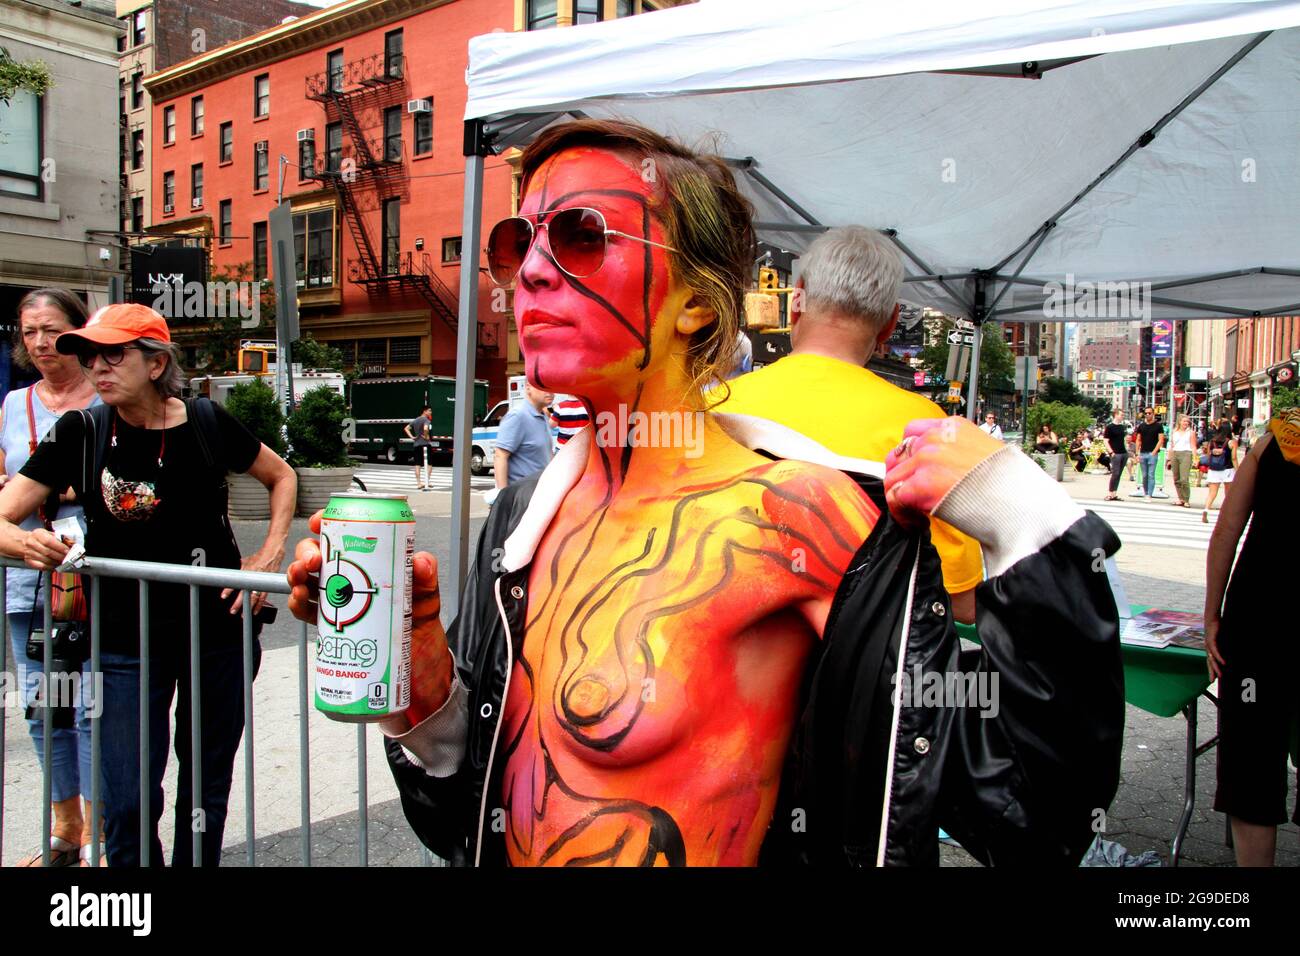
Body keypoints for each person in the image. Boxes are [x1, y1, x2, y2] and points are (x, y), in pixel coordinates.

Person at [286, 119, 1124, 868]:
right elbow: (464, 814)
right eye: (519, 240)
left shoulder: (800, 518)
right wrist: (420, 673)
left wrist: (1013, 511)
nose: (531, 273)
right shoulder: (524, 521)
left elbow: (1031, 817)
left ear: (695, 301)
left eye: (582, 235)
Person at [0, 303, 297, 867]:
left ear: (156, 363)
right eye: (89, 356)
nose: (97, 368)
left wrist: (267, 554)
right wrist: (22, 544)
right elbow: (3, 516)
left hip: (218, 632)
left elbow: (281, 475)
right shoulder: (81, 431)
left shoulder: (207, 421)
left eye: (114, 354)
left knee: (205, 791)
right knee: (128, 797)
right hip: (121, 641)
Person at [715, 225, 983, 623]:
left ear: (796, 302)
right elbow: (961, 603)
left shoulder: (711, 408)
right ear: (891, 323)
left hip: (725, 658)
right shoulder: (926, 431)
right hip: (857, 672)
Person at [0, 289, 101, 866]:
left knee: (93, 705)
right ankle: (65, 827)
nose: (39, 342)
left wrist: (52, 490)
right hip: (26, 573)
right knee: (43, 705)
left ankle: (100, 833)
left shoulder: (105, 396)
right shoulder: (16, 404)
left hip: (94, 576)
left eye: (52, 329)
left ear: (78, 333)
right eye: (28, 330)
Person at [1205, 407, 1300, 866]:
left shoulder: (1280, 436)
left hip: (1259, 619)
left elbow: (1226, 530)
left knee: (1253, 764)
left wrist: (1211, 617)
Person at [493, 383, 553, 488]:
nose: (550, 392)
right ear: (528, 388)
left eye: (551, 387)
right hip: (521, 495)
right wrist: (503, 495)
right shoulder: (517, 415)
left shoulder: (543, 417)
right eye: (543, 387)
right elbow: (500, 455)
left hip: (539, 492)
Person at [1202, 421, 1238, 523]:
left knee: (1212, 493)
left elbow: (1209, 455)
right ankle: (1227, 514)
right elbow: (1234, 458)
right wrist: (1238, 470)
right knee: (1228, 493)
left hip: (1214, 470)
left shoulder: (1212, 441)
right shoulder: (1231, 442)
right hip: (1227, 469)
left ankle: (1206, 510)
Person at [1132, 407, 1165, 500]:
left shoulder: (1158, 426)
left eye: (1149, 413)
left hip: (1152, 453)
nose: (1147, 415)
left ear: (1153, 414)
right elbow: (1138, 440)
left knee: (1151, 474)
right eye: (1146, 413)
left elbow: (1161, 440)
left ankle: (1149, 494)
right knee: (1144, 475)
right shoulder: (1141, 426)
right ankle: (1146, 492)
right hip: (1143, 452)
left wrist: (1154, 452)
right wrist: (1137, 453)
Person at [1166, 414, 1197, 508]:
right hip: (1175, 453)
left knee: (1184, 478)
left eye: (1187, 422)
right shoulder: (1174, 432)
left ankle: (1186, 499)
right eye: (1184, 421)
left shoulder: (1191, 432)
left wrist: (1195, 458)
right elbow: (1171, 446)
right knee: (1176, 478)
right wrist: (1169, 459)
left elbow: (1193, 446)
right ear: (1179, 422)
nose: (1186, 423)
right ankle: (1181, 498)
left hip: (1186, 453)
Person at [404, 406, 434, 491]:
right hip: (425, 444)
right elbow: (425, 428)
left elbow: (406, 428)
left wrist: (412, 437)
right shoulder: (426, 420)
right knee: (429, 463)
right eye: (429, 411)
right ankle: (426, 481)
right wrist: (426, 436)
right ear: (424, 411)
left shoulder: (416, 420)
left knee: (417, 464)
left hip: (416, 444)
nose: (430, 412)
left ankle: (419, 483)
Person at [1102, 407, 1128, 501]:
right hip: (1115, 453)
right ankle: (1110, 493)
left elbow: (1123, 440)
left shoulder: (1122, 427)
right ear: (1116, 415)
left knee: (1119, 474)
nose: (1122, 416)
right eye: (1121, 415)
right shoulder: (1109, 427)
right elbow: (1105, 441)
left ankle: (1114, 493)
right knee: (1115, 473)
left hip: (1123, 452)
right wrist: (1111, 452)